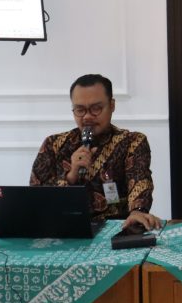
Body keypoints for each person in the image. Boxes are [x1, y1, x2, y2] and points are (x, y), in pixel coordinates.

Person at [30, 74, 162, 230]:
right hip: (63, 230)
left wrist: (137, 211)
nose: (87, 117)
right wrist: (71, 176)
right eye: (80, 110)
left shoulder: (132, 142)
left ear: (112, 106)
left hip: (116, 229)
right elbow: (36, 198)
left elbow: (139, 179)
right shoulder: (53, 144)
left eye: (96, 109)